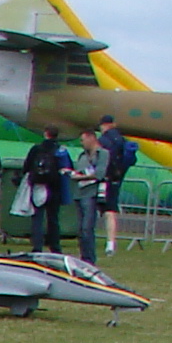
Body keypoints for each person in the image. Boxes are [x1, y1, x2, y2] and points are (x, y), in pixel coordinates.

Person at [20, 124, 68, 255]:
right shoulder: (61, 150)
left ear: (45, 133)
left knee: (37, 218)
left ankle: (37, 245)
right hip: (55, 187)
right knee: (53, 218)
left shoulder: (37, 149)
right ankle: (55, 246)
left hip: (38, 186)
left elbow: (27, 166)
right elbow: (67, 169)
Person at [97, 112, 133, 252]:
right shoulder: (122, 140)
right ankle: (110, 242)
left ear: (104, 125)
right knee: (111, 211)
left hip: (102, 178)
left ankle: (87, 237)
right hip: (116, 178)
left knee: (90, 206)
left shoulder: (104, 140)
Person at [71, 127, 107, 264]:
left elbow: (99, 174)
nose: (82, 143)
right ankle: (83, 257)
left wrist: (81, 177)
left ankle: (90, 259)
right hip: (79, 193)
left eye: (83, 140)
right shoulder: (82, 155)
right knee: (80, 229)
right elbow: (80, 171)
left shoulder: (102, 154)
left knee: (87, 227)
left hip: (91, 194)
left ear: (92, 138)